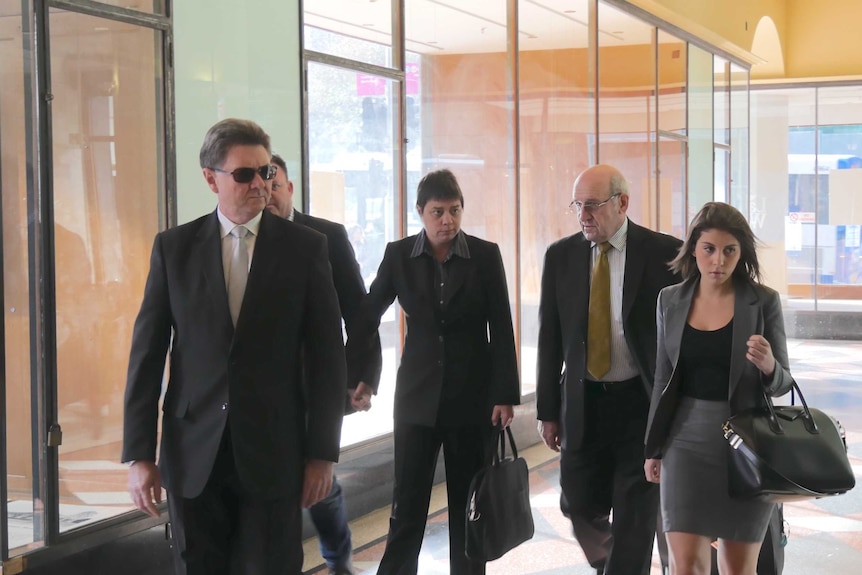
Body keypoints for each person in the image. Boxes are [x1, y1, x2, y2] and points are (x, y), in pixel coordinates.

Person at [122, 118, 348, 575]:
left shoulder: (306, 249)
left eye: (265, 172)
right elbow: (146, 355)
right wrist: (140, 454)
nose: (259, 184)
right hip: (193, 453)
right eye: (244, 174)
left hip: (274, 451)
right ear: (211, 178)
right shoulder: (175, 249)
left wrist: (323, 454)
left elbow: (328, 358)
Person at [345, 168, 520, 575]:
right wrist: (361, 375)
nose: (448, 221)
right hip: (415, 401)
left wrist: (504, 394)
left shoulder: (484, 255)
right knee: (407, 506)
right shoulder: (398, 255)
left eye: (455, 211)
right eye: (438, 212)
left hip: (472, 400)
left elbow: (502, 326)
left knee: (468, 506)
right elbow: (367, 316)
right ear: (420, 212)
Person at [536, 164, 682, 575]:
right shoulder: (561, 257)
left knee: (635, 519)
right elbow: (550, 340)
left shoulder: (664, 253)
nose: (584, 215)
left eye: (594, 205)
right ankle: (612, 563)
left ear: (622, 203)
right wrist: (548, 411)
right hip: (584, 404)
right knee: (577, 503)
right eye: (578, 205)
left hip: (639, 405)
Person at [643, 202, 795, 575]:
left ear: (741, 254)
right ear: (694, 247)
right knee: (685, 566)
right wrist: (653, 447)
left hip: (746, 446)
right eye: (709, 248)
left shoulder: (763, 302)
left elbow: (783, 384)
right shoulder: (671, 301)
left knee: (738, 569)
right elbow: (664, 379)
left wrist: (769, 365)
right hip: (684, 441)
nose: (718, 261)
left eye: (730, 251)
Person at [266, 153, 382, 575]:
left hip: (315, 385)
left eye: (274, 184)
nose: (267, 193)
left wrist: (364, 375)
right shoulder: (244, 241)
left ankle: (338, 558)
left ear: (289, 188)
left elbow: (360, 312)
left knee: (318, 478)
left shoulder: (325, 236)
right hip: (262, 392)